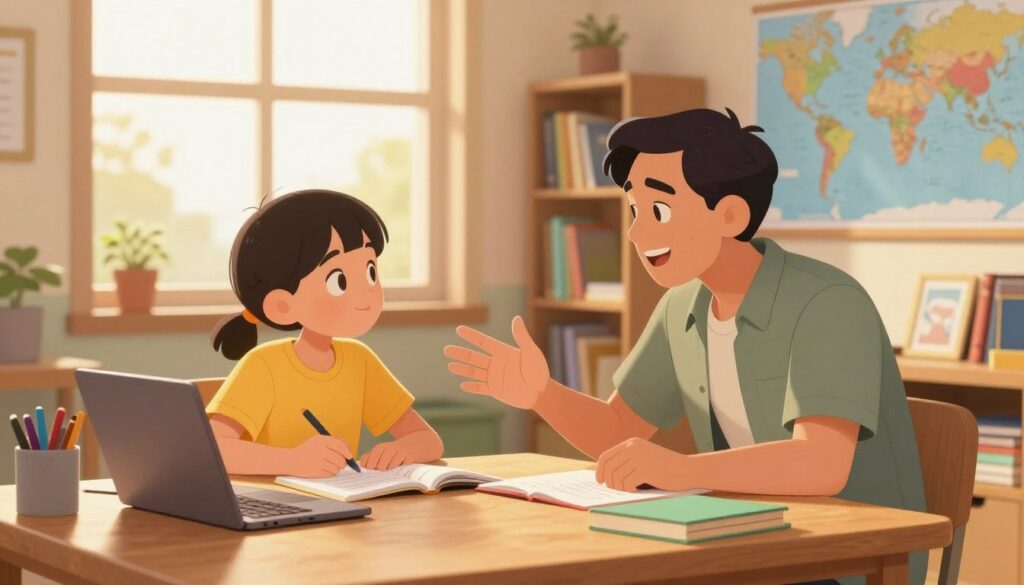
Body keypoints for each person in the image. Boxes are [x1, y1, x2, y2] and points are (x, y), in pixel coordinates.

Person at [445, 108, 926, 585]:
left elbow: (821, 465)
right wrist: (542, 394)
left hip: (849, 560)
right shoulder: (682, 306)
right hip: (745, 542)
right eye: (634, 210)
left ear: (730, 215)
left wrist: (679, 469)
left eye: (659, 210)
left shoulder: (827, 303)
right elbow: (618, 431)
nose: (636, 232)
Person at [207, 189, 443, 477]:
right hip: (270, 499)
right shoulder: (263, 365)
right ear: (282, 305)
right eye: (339, 280)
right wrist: (292, 461)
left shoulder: (359, 361)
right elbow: (213, 449)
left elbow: (429, 440)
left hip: (338, 498)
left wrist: (403, 450)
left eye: (370, 271)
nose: (364, 294)